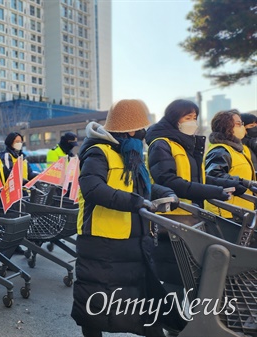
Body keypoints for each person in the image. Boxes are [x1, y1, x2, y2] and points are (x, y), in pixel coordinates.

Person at [71, 99, 182, 337]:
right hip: (102, 241)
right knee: (96, 300)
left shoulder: (129, 154)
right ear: (131, 129)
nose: (144, 133)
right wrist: (135, 202)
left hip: (133, 239)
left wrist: (168, 194)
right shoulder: (98, 153)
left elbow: (146, 187)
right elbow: (92, 189)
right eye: (142, 127)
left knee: (142, 300)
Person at [145, 99, 236, 334]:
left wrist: (222, 188)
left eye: (195, 116)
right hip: (170, 222)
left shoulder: (185, 145)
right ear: (175, 118)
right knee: (174, 278)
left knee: (188, 278)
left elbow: (197, 180)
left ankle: (181, 324)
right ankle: (170, 325)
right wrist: (212, 192)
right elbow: (168, 181)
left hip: (190, 219)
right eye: (188, 117)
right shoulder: (162, 144)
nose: (193, 121)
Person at [204, 109, 257, 218]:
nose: (242, 127)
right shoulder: (220, 151)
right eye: (238, 124)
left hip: (241, 212)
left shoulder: (237, 151)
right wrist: (243, 183)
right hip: (225, 213)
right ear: (226, 127)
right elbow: (213, 176)